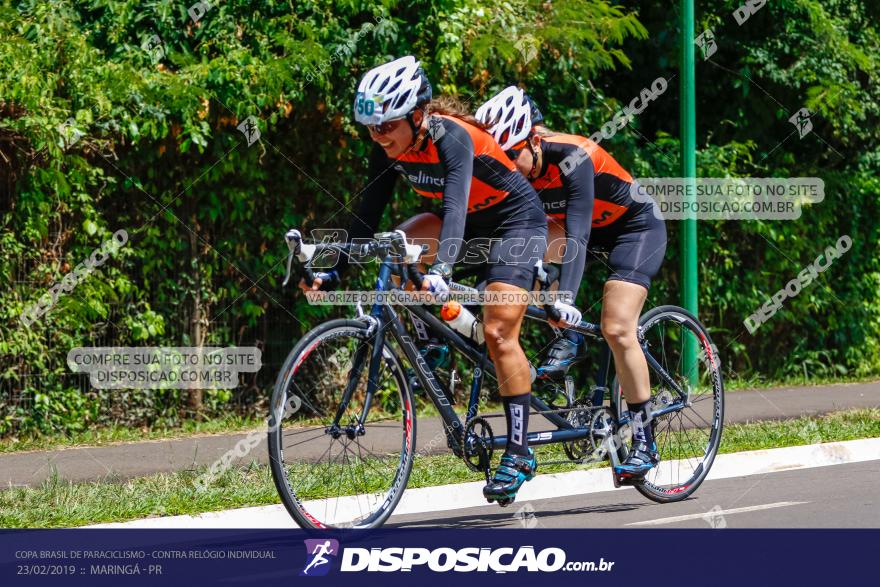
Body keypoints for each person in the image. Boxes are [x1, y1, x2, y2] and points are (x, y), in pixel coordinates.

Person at [300, 57, 556, 504]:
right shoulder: (388, 149)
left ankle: (518, 451)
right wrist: (333, 269)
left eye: (386, 126)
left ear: (417, 115)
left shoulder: (451, 136)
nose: (377, 137)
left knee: (499, 332)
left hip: (516, 224)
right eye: (371, 128)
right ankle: (436, 338)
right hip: (469, 224)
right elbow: (366, 217)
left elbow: (455, 207)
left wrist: (442, 271)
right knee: (393, 243)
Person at [476, 86, 668, 482]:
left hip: (633, 229)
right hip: (569, 230)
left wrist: (564, 297)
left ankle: (644, 439)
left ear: (532, 139)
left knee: (617, 328)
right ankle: (573, 338)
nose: (508, 166)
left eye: (513, 155)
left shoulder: (572, 156)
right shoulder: (514, 172)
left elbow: (577, 235)